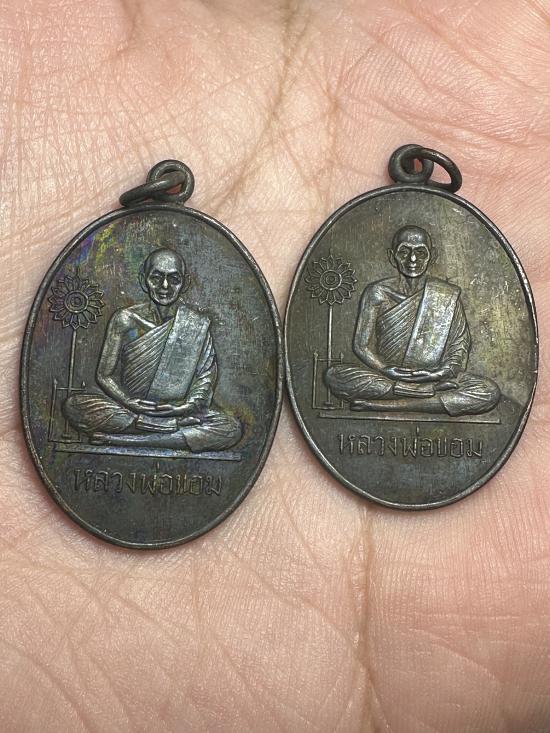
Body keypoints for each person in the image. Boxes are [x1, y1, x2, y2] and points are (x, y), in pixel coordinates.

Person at [64, 247, 242, 452]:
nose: (165, 286)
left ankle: (126, 440)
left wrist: (182, 407)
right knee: (74, 406)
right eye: (156, 278)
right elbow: (104, 375)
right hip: (131, 410)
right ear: (143, 280)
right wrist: (129, 402)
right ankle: (168, 431)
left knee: (230, 428)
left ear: (185, 283)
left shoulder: (196, 325)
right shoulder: (125, 319)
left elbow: (204, 381)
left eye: (174, 279)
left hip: (178, 412)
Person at [325, 225, 500, 415]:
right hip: (389, 376)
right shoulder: (377, 293)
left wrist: (437, 373)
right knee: (335, 375)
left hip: (435, 379)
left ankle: (385, 405)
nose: (413, 260)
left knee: (488, 392)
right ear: (392, 256)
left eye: (420, 252)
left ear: (432, 256)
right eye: (404, 252)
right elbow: (361, 346)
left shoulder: (445, 295)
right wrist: (384, 369)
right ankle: (423, 394)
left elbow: (459, 348)